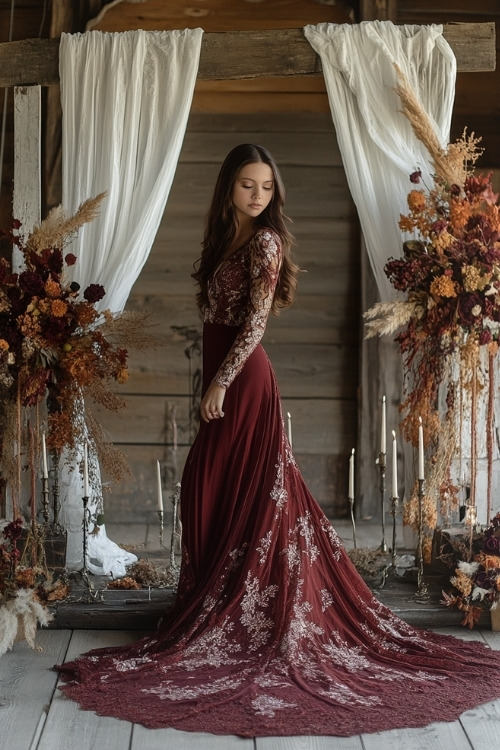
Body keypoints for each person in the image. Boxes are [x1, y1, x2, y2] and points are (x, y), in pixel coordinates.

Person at [57, 144, 500, 738]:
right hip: (227, 374)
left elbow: (256, 322)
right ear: (228, 189)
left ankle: (240, 607)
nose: (258, 196)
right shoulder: (225, 242)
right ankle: (218, 602)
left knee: (220, 485)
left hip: (244, 379)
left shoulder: (265, 243)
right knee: (208, 486)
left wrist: (219, 380)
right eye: (247, 185)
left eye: (266, 187)